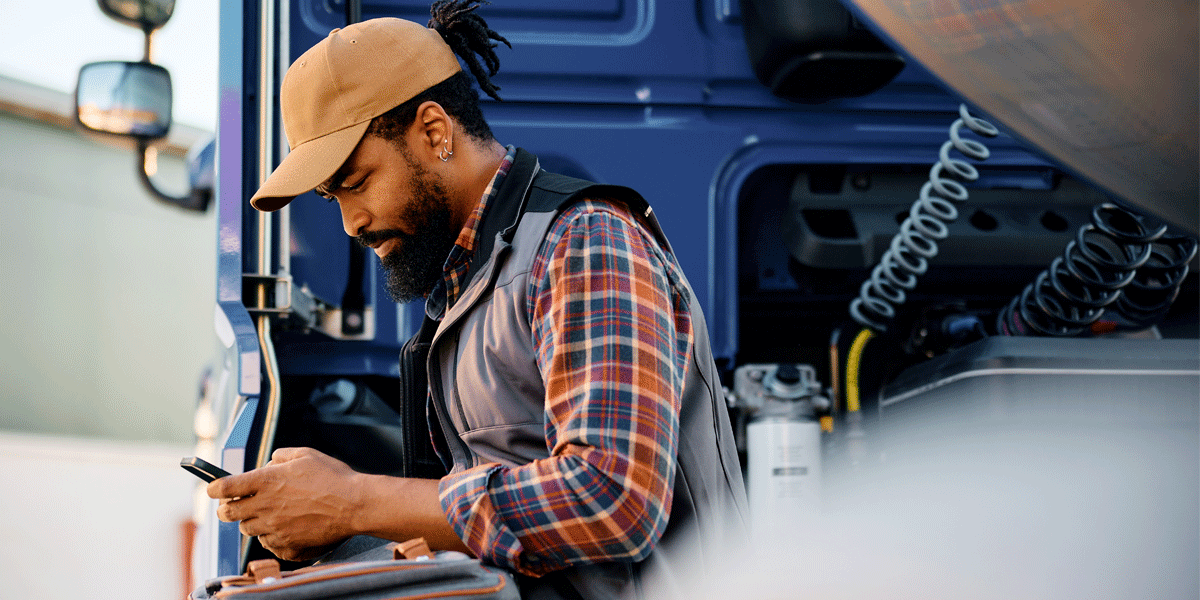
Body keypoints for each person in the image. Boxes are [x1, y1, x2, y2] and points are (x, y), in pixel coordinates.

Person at [207, 2, 748, 598]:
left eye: (356, 183)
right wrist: (335, 521)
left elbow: (612, 499)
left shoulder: (584, 241)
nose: (350, 223)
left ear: (435, 132)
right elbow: (484, 530)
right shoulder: (467, 286)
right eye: (333, 197)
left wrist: (353, 502)